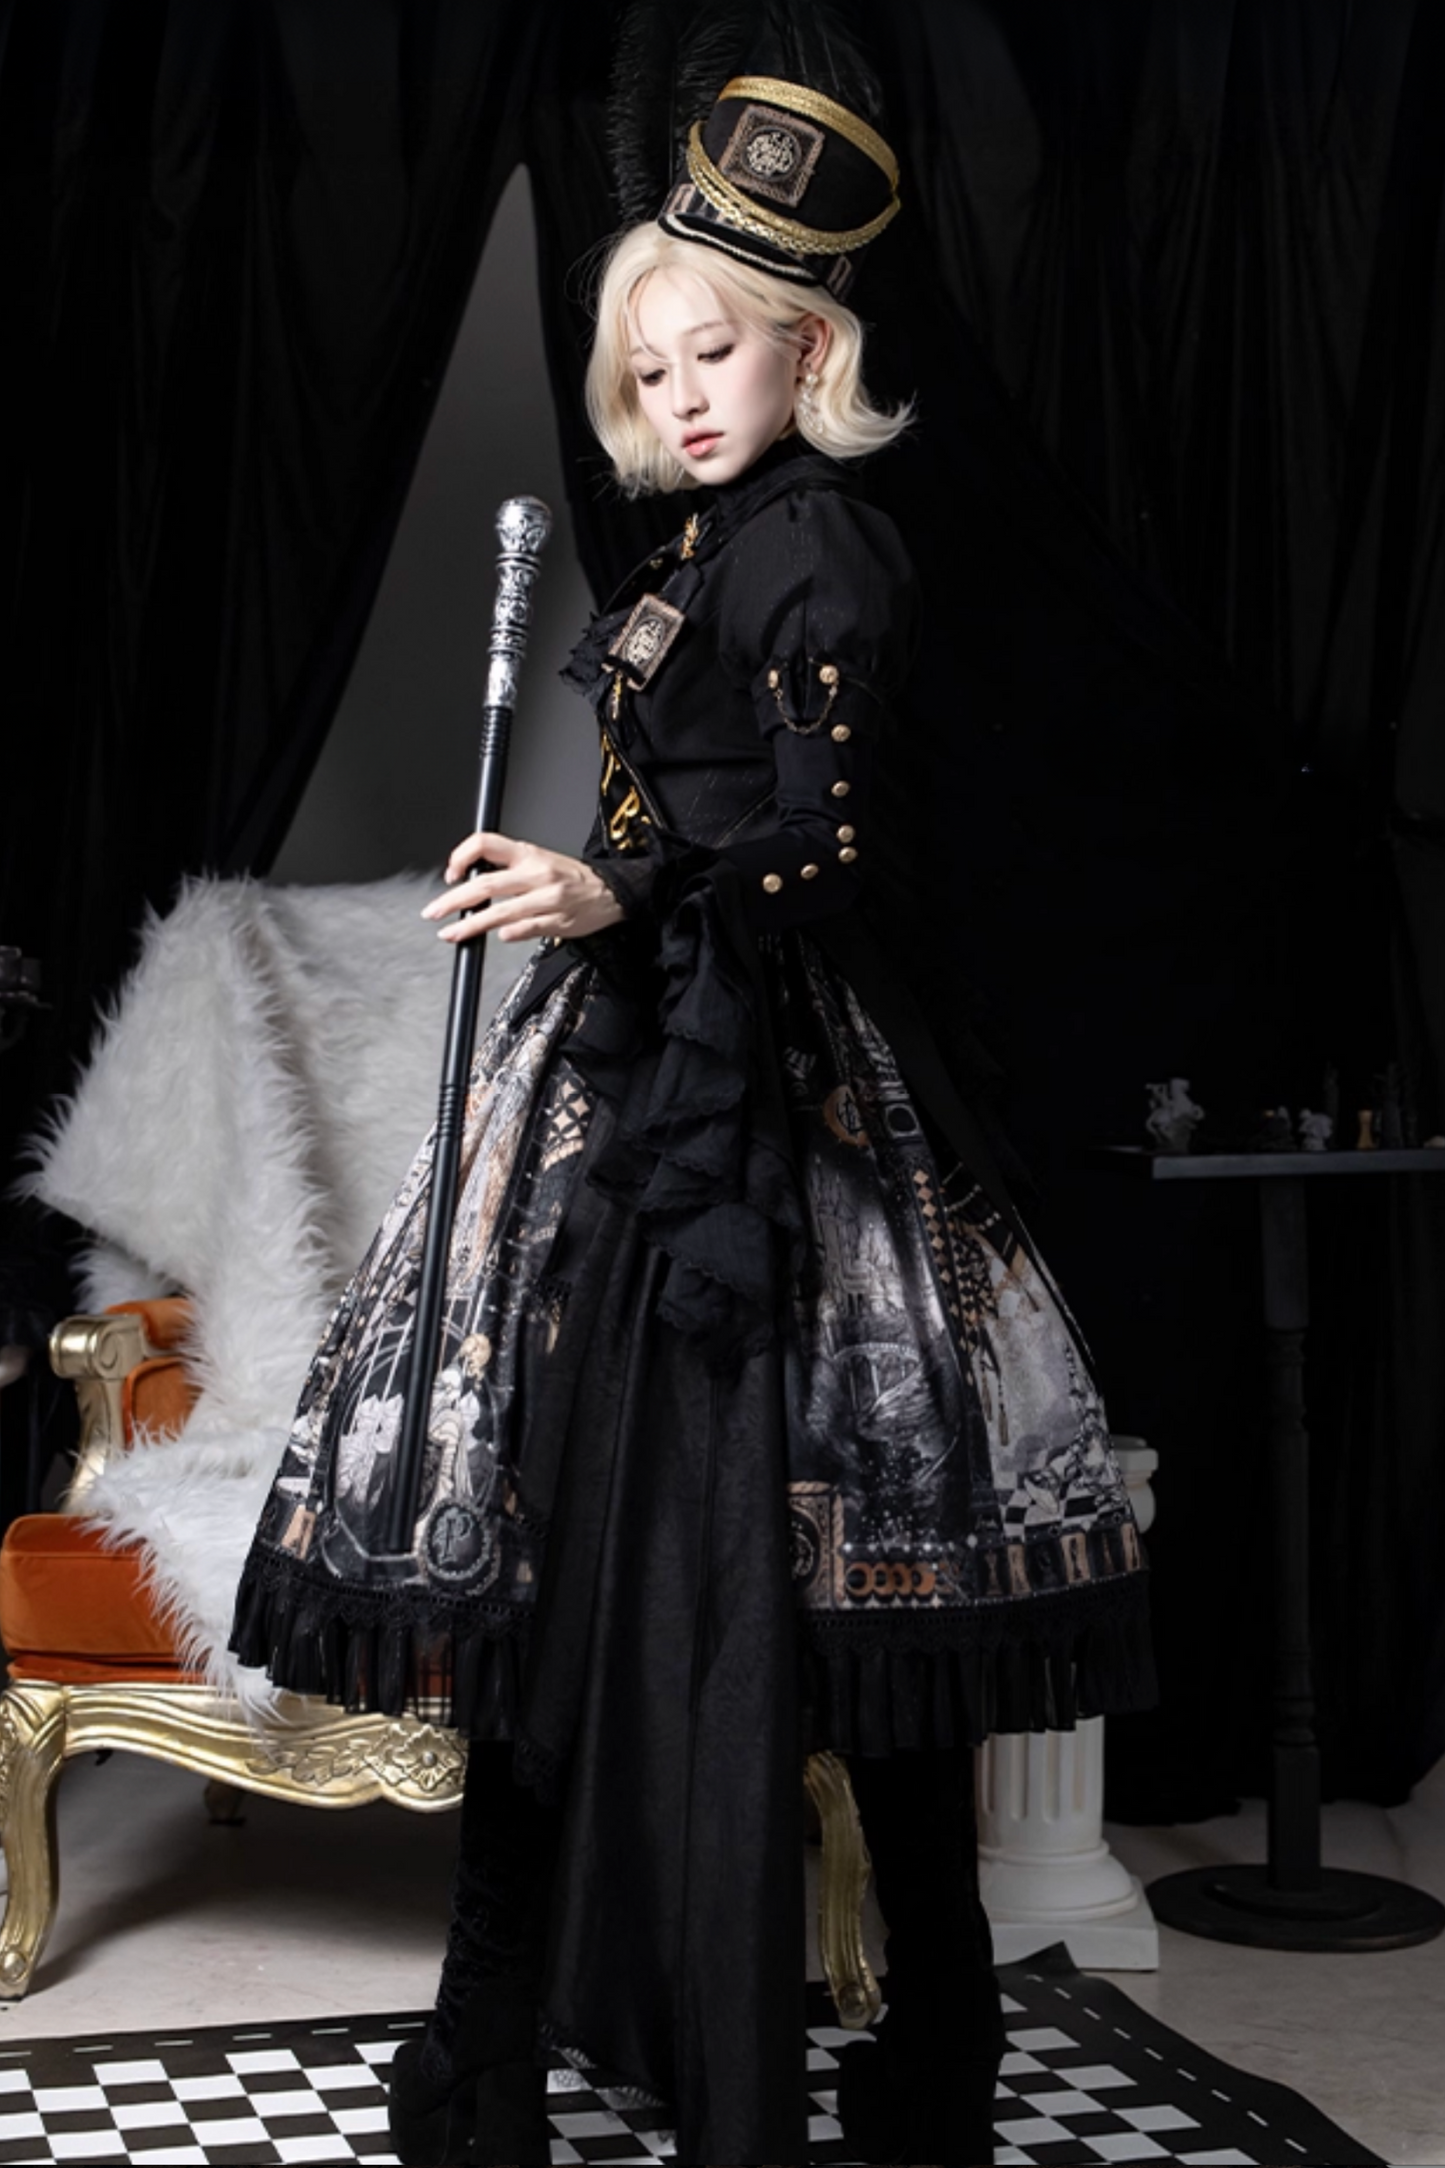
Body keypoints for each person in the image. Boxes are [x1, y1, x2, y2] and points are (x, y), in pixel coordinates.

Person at [229, 70, 1153, 2168]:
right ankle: (607, 2062)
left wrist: (609, 891)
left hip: (773, 1113)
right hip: (652, 1075)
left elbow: (826, 853)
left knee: (816, 1609)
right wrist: (594, 889)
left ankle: (844, 2062)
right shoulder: (710, 542)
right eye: (646, 368)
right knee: (615, 1593)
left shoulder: (816, 539)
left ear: (809, 349)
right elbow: (708, 827)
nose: (676, 393)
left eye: (711, 350)